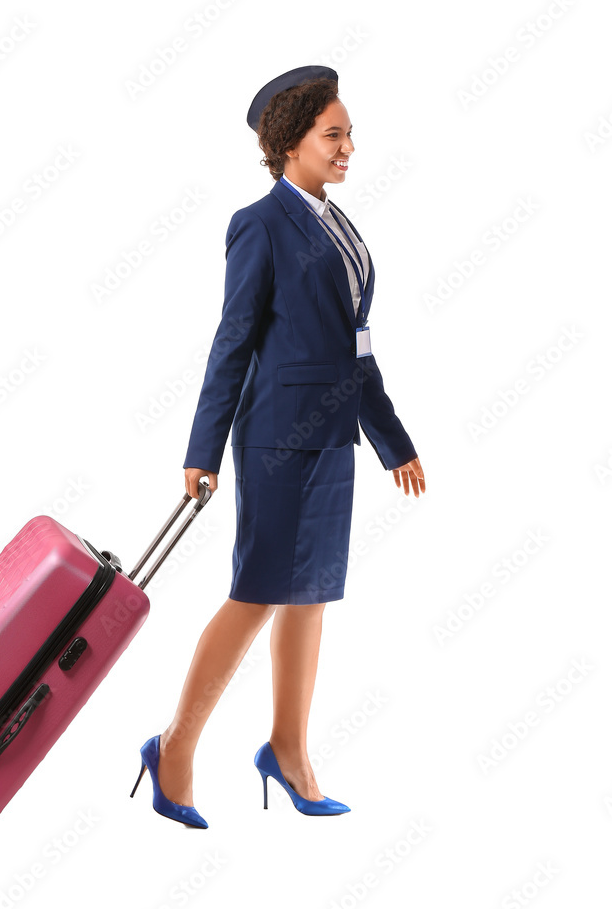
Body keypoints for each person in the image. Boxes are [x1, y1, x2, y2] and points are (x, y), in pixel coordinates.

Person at [129, 66, 426, 827]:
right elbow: (232, 341)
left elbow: (355, 347)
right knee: (258, 593)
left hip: (331, 441)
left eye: (348, 133)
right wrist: (202, 449)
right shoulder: (258, 224)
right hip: (275, 443)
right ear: (288, 144)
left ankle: (287, 752)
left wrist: (390, 440)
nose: (349, 147)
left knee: (310, 595)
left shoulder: (339, 223)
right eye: (333, 135)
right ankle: (175, 748)